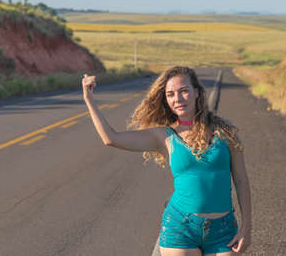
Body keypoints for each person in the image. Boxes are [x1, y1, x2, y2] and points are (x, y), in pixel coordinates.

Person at [82, 66, 252, 255]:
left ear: (197, 92)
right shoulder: (163, 135)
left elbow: (241, 180)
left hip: (223, 230)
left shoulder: (225, 131)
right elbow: (111, 138)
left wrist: (247, 227)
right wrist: (89, 100)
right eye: (170, 94)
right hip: (181, 229)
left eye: (184, 91)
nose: (177, 99)